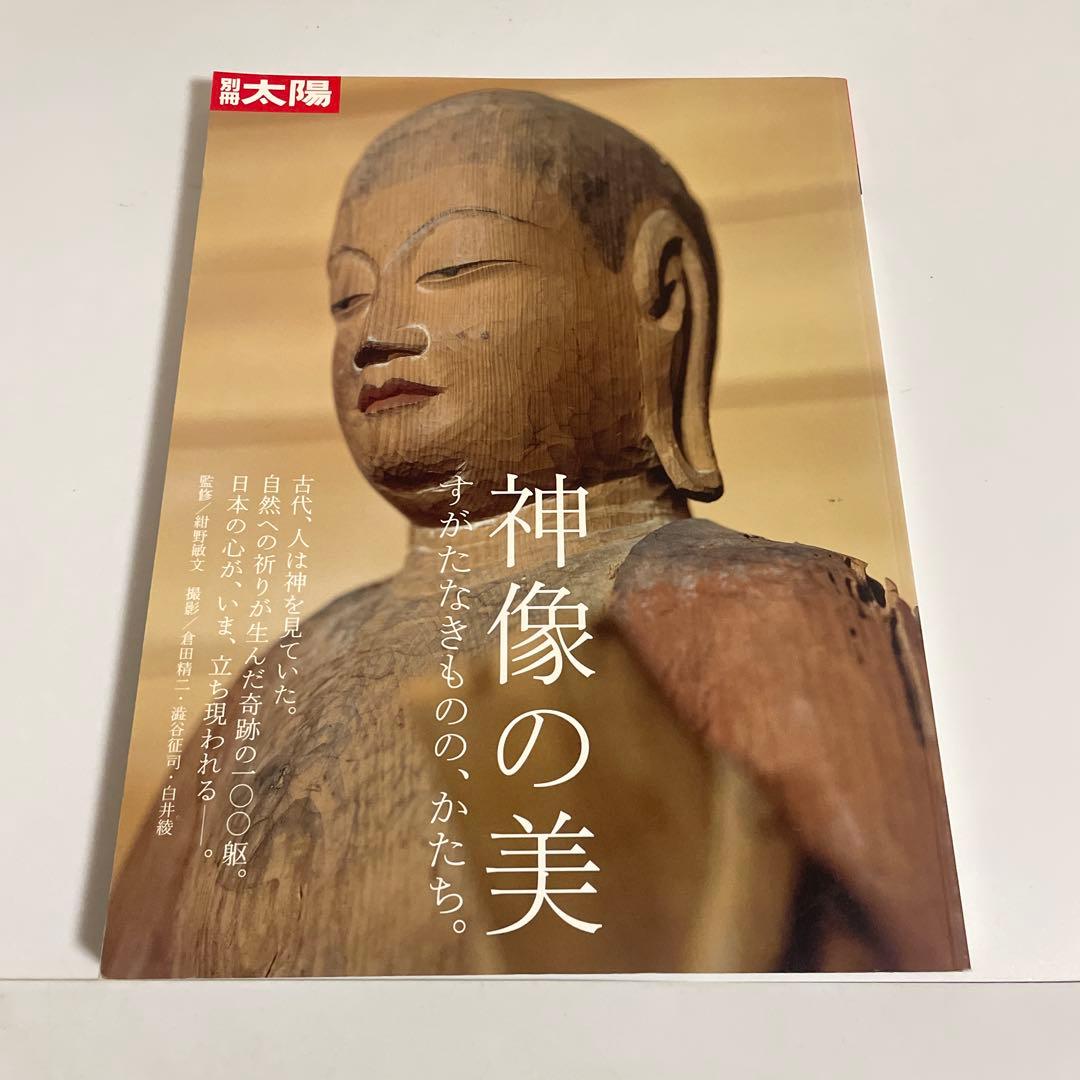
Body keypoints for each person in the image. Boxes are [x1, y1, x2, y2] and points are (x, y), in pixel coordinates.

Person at [101, 90, 965, 977]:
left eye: (455, 266)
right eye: (349, 297)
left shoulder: (770, 615)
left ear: (662, 290)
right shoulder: (273, 685)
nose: (375, 335)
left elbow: (912, 973)